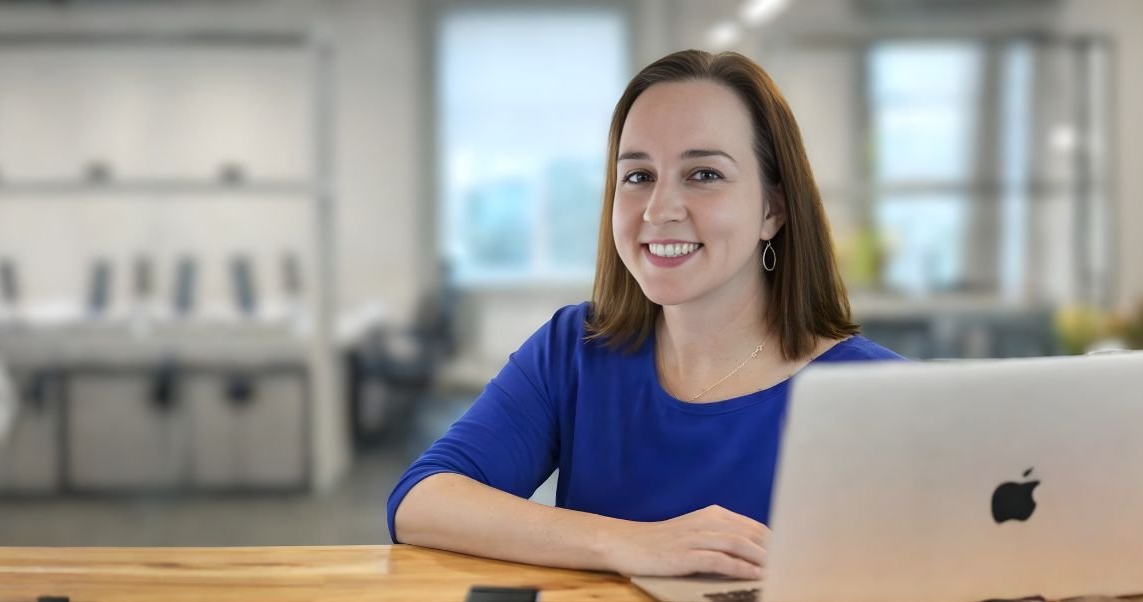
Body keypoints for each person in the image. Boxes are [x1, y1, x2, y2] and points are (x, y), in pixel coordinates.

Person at [387, 49, 904, 581]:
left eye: (704, 174)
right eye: (638, 176)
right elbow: (421, 499)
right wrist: (630, 543)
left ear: (772, 210)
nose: (659, 210)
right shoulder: (575, 350)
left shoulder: (882, 393)